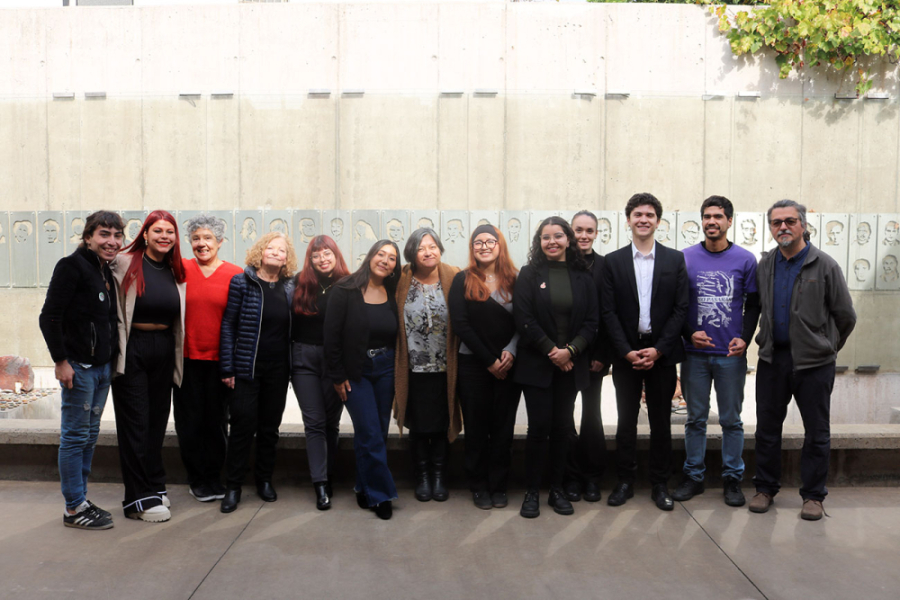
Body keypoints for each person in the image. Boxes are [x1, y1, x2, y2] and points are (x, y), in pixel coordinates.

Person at [750, 199, 856, 521]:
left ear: (803, 225)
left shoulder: (824, 265)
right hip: (772, 360)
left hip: (814, 365)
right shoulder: (765, 265)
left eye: (790, 221)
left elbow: (845, 316)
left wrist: (826, 348)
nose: (783, 227)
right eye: (776, 222)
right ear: (771, 228)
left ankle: (813, 496)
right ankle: (765, 488)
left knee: (817, 431)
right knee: (767, 429)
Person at [670, 196, 760, 507]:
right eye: (707, 216)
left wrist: (745, 338)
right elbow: (677, 306)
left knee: (731, 420)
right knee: (695, 418)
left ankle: (732, 480)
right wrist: (688, 334)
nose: (712, 221)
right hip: (694, 355)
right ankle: (693, 476)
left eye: (718, 216)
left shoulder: (746, 260)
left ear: (729, 221)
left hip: (730, 356)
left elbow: (754, 305)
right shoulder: (685, 258)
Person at [601, 193, 688, 512]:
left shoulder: (675, 260)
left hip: (661, 353)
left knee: (661, 422)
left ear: (658, 221)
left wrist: (660, 349)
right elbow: (607, 311)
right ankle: (624, 481)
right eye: (637, 214)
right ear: (628, 220)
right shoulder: (613, 261)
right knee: (626, 421)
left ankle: (660, 484)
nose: (643, 219)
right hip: (626, 354)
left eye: (650, 215)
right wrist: (625, 351)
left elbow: (681, 309)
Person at [39, 210, 125, 530]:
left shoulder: (103, 270)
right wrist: (61, 362)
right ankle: (74, 508)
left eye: (117, 236)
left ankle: (81, 500)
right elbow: (49, 317)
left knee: (88, 437)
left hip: (101, 369)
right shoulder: (71, 266)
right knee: (75, 437)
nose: (112, 241)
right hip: (78, 368)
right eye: (104, 234)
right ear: (88, 237)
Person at [513, 216, 599, 518]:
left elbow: (592, 322)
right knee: (538, 430)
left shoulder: (583, 276)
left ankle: (558, 489)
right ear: (539, 242)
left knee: (563, 429)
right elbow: (524, 318)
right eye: (546, 237)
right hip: (538, 365)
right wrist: (552, 350)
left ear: (568, 240)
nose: (552, 242)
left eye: (558, 236)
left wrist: (570, 351)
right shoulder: (528, 274)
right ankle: (532, 492)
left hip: (570, 365)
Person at [110, 210, 187, 523]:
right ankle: (137, 499)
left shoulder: (174, 269)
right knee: (136, 424)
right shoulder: (125, 263)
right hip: (134, 348)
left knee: (157, 421)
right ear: (145, 234)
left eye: (170, 231)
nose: (164, 236)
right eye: (158, 231)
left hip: (164, 349)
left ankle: (154, 484)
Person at [218, 231, 297, 513]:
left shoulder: (290, 287)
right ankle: (234, 487)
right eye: (272, 249)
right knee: (242, 427)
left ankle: (264, 480)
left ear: (287, 259)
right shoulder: (243, 281)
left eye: (283, 251)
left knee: (269, 429)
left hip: (278, 370)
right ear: (261, 252)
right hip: (246, 368)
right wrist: (227, 367)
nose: (277, 253)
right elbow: (228, 325)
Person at [324, 240, 401, 520]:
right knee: (369, 431)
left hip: (385, 368)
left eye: (392, 258)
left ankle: (362, 485)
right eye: (381, 254)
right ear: (370, 256)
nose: (385, 260)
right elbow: (331, 337)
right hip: (355, 371)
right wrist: (337, 375)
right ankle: (381, 495)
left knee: (377, 431)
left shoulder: (393, 290)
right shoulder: (345, 289)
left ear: (396, 266)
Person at [448, 224, 520, 510]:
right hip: (473, 365)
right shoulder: (462, 280)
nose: (484, 246)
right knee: (476, 429)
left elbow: (525, 322)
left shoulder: (515, 280)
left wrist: (510, 352)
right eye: (478, 242)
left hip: (509, 365)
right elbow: (461, 324)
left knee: (503, 428)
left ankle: (499, 485)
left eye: (490, 241)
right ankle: (478, 485)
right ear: (472, 247)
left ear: (500, 245)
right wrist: (489, 360)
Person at [173, 215, 243, 503]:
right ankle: (197, 479)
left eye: (208, 239)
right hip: (186, 359)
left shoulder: (235, 274)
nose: (202, 244)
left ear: (220, 242)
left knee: (216, 422)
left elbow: (241, 321)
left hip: (221, 362)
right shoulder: (179, 269)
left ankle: (214, 477)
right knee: (189, 422)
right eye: (196, 239)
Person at [394, 228, 461, 503]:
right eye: (422, 248)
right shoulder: (400, 278)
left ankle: (439, 477)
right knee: (419, 425)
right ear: (412, 252)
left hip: (446, 366)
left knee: (443, 422)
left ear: (440, 249)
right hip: (413, 367)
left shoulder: (454, 276)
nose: (428, 252)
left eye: (432, 246)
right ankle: (422, 477)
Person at [291, 235, 350, 510]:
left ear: (336, 255)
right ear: (310, 259)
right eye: (316, 255)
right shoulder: (297, 283)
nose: (322, 259)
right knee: (314, 421)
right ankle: (321, 484)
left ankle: (329, 473)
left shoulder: (349, 285)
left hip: (335, 360)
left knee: (331, 423)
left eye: (327, 253)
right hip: (304, 358)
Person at [562, 211, 610, 504]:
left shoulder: (606, 266)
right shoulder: (559, 264)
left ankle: (592, 478)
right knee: (565, 418)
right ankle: (570, 477)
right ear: (570, 232)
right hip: (565, 357)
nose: (583, 235)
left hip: (595, 358)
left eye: (588, 230)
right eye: (578, 230)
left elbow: (608, 313)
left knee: (592, 416)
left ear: (596, 233)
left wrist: (603, 354)